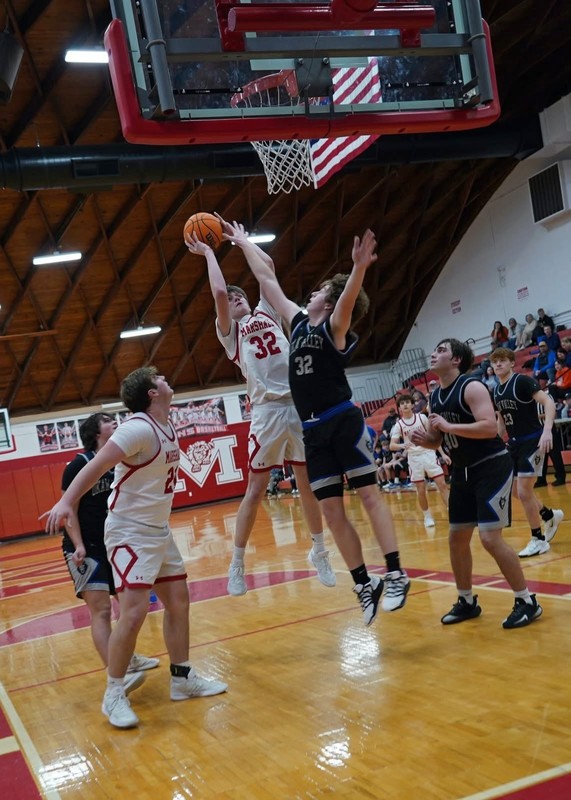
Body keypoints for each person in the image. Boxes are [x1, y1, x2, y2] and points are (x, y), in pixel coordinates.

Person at [225, 222, 410, 625]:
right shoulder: (296, 322)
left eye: (320, 291)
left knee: (369, 497)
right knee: (330, 512)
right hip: (311, 430)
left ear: (329, 301)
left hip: (341, 419)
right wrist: (241, 243)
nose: (311, 293)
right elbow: (266, 277)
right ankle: (363, 583)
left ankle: (395, 571)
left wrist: (358, 269)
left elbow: (346, 300)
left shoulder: (333, 326)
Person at [42, 367, 228, 729]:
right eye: (159, 378)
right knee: (133, 611)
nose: (166, 379)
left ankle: (181, 679)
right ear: (151, 393)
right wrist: (67, 502)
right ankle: (113, 693)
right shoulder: (137, 428)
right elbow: (96, 466)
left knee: (178, 601)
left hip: (157, 529)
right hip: (129, 531)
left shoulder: (166, 424)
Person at [185, 224, 336, 596]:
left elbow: (265, 265)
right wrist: (208, 253)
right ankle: (236, 564)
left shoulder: (267, 311)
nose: (235, 297)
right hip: (266, 412)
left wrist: (240, 241)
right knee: (254, 491)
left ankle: (319, 551)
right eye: (231, 299)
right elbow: (219, 291)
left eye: (240, 296)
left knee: (307, 486)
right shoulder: (231, 335)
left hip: (298, 405)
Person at [411, 338, 543, 629]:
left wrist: (447, 427)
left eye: (441, 350)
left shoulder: (471, 386)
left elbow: (487, 427)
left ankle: (527, 601)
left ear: (456, 360)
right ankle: (467, 601)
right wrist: (429, 440)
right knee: (456, 539)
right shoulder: (435, 397)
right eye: (434, 350)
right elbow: (443, 438)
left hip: (491, 467)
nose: (434, 353)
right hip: (462, 471)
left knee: (489, 538)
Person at [59, 413, 160, 687]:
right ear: (95, 432)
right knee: (101, 610)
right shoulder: (79, 465)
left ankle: (128, 657)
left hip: (114, 543)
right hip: (85, 547)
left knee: (129, 607)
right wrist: (78, 545)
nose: (113, 422)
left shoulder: (119, 461)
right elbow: (70, 511)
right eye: (106, 420)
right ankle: (116, 674)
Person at [489, 348, 563, 557]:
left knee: (523, 492)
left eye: (502, 361)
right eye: (495, 362)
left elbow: (548, 402)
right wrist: (493, 442)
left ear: (512, 363)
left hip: (533, 441)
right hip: (513, 444)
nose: (498, 365)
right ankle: (549, 515)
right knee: (516, 492)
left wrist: (547, 430)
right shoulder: (496, 391)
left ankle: (538, 539)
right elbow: (502, 422)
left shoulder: (521, 381)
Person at [389, 394, 450, 527]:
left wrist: (443, 454)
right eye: (402, 403)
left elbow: (433, 437)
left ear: (412, 404)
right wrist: (402, 445)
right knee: (421, 489)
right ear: (399, 408)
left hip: (428, 453)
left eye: (407, 402)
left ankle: (452, 512)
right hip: (414, 458)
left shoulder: (421, 418)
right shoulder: (398, 425)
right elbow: (391, 445)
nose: (405, 405)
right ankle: (427, 516)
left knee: (442, 484)